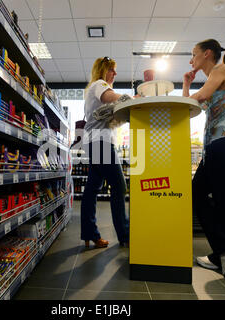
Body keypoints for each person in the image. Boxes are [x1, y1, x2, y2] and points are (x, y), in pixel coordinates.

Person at [182, 39, 225, 277]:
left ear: (207, 54)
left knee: (223, 199)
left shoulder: (220, 70)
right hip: (215, 149)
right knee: (197, 194)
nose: (191, 60)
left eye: (193, 55)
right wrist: (187, 83)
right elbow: (190, 108)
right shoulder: (214, 77)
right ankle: (223, 250)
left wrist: (191, 89)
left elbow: (200, 97)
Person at [80, 56, 130, 248]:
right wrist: (131, 99)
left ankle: (89, 233)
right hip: (100, 143)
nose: (115, 74)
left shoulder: (93, 89)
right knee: (119, 186)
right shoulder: (99, 85)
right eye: (112, 70)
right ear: (103, 71)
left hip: (95, 142)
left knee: (92, 189)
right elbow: (110, 97)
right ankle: (125, 235)